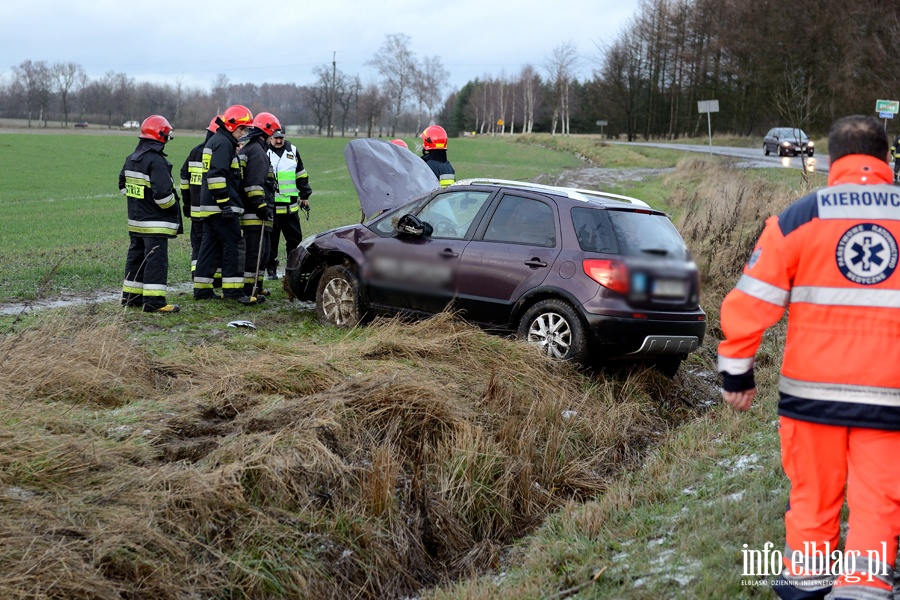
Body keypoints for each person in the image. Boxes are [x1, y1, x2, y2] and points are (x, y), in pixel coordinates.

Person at [718, 115, 900, 600]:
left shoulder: (799, 216)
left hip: (811, 397)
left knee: (813, 498)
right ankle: (863, 587)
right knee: (878, 501)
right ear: (885, 158)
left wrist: (736, 369)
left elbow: (753, 298)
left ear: (830, 161)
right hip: (891, 400)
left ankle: (808, 583)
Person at [192, 104, 261, 304]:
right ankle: (233, 292)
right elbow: (216, 175)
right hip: (221, 206)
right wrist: (225, 204)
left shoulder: (216, 140)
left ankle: (202, 289)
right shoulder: (223, 143)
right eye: (242, 129)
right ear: (231, 126)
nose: (243, 133)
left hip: (210, 205)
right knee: (234, 244)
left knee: (209, 246)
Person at [118, 115, 182, 313]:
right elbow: (163, 196)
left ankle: (131, 297)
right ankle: (154, 302)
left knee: (136, 258)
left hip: (136, 222)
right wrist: (173, 208)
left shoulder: (131, 158)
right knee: (156, 261)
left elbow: (123, 186)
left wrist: (140, 201)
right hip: (155, 223)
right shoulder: (156, 161)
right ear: (161, 136)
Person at [239, 112, 280, 297]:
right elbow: (254, 183)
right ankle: (250, 289)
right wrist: (261, 206)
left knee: (262, 252)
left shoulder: (253, 149)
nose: (274, 138)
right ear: (267, 132)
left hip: (254, 211)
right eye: (272, 134)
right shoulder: (257, 152)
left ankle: (257, 285)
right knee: (256, 253)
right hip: (256, 214)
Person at [180, 116, 222, 288]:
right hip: (212, 210)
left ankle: (196, 277)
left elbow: (184, 178)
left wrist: (187, 204)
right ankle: (216, 279)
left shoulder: (195, 151)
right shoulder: (219, 151)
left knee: (198, 246)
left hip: (196, 210)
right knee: (214, 244)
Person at [265, 128, 312, 280]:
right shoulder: (264, 151)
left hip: (290, 207)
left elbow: (301, 174)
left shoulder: (292, 151)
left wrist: (305, 195)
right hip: (271, 206)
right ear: (270, 137)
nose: (278, 141)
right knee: (271, 241)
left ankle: (291, 268)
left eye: (281, 138)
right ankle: (271, 268)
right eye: (275, 138)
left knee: (294, 240)